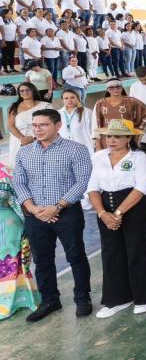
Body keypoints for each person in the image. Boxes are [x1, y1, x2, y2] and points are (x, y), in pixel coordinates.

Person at [11, 108, 93, 322]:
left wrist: (57, 207)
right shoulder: (25, 152)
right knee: (42, 259)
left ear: (57, 126)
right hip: (35, 214)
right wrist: (33, 208)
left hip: (67, 213)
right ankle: (50, 300)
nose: (37, 129)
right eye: (35, 125)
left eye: (43, 125)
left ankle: (82, 298)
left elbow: (82, 181)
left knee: (75, 255)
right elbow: (19, 182)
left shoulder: (76, 149)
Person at [86, 119, 146, 318]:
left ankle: (142, 298)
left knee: (136, 251)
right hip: (105, 206)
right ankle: (117, 299)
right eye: (109, 136)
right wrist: (102, 213)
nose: (112, 140)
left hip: (133, 207)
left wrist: (118, 213)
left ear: (128, 138)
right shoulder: (98, 157)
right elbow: (92, 187)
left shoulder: (139, 157)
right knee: (111, 253)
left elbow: (142, 187)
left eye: (117, 136)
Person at [0, 158, 41, 320]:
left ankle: (15, 300)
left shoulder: (5, 172)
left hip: (9, 224)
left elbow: (17, 200)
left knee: (12, 260)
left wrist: (28, 225)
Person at [7, 83, 52, 165]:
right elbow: (10, 126)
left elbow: (51, 124)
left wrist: (34, 138)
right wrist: (23, 139)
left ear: (33, 91)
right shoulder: (14, 107)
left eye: (27, 90)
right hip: (19, 139)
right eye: (22, 91)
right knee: (20, 166)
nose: (25, 92)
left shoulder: (45, 105)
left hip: (41, 138)